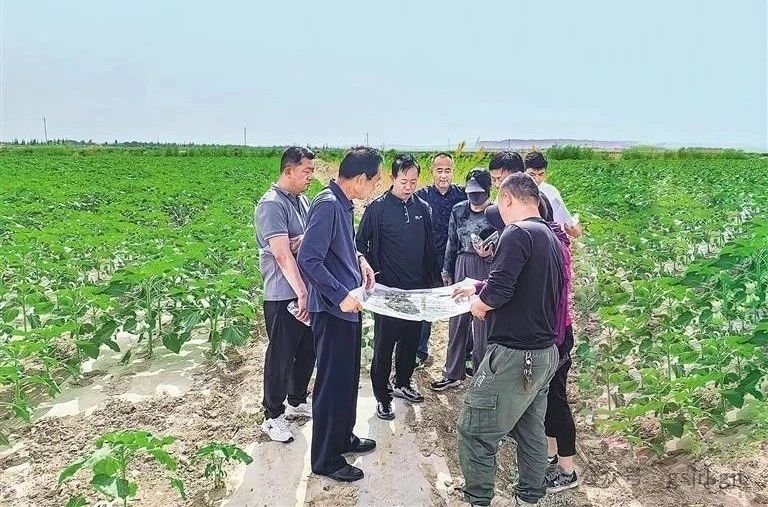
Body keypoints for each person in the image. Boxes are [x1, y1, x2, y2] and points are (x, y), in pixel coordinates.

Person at [454, 173, 564, 507]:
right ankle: (529, 499)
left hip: (516, 355)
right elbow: (524, 286)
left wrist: (479, 303)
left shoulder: (516, 233)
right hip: (544, 353)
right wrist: (479, 287)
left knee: (474, 431)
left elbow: (500, 291)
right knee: (531, 432)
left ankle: (478, 500)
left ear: (507, 199)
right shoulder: (549, 236)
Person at [297, 147, 381, 482]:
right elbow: (309, 258)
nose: (374, 188)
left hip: (348, 308)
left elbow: (340, 246)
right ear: (359, 179)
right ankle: (326, 459)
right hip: (333, 311)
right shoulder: (328, 205)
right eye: (374, 181)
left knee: (346, 379)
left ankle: (343, 437)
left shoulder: (343, 204)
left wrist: (360, 260)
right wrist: (340, 295)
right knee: (332, 384)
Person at [356, 153, 441, 420]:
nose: (408, 187)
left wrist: (434, 281)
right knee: (384, 345)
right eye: (403, 181)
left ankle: (403, 382)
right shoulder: (378, 209)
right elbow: (360, 244)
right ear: (393, 178)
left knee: (411, 340)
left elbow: (429, 247)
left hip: (416, 290)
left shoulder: (423, 208)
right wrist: (368, 273)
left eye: (413, 182)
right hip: (387, 292)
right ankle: (383, 397)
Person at [255, 146, 317, 443]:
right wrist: (301, 292)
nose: (311, 177)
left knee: (307, 349)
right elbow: (282, 254)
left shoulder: (302, 201)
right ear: (289, 170)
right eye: (307, 171)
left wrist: (300, 241)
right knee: (281, 355)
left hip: (304, 290)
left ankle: (297, 400)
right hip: (283, 293)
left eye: (312, 171)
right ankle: (272, 416)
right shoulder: (271, 205)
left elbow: (306, 241)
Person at [430, 169, 494, 392]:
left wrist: (490, 254)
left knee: (482, 322)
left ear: (488, 191)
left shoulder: (495, 213)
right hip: (462, 263)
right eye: (471, 192)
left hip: (485, 267)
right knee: (457, 322)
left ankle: (481, 375)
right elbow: (451, 241)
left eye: (479, 192)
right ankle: (452, 372)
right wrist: (447, 271)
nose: (474, 197)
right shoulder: (459, 210)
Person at [414, 152, 466, 367]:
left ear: (453, 172)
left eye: (448, 170)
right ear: (432, 172)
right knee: (426, 303)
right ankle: (419, 350)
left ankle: (465, 354)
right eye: (439, 170)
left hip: (457, 258)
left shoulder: (463, 195)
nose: (443, 175)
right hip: (429, 259)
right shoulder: (421, 196)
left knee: (462, 305)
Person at [524, 151, 582, 238]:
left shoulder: (551, 191)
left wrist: (573, 229)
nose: (537, 179)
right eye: (532, 174)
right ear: (524, 172)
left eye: (541, 174)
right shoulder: (516, 190)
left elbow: (566, 220)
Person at [489, 150, 554, 222]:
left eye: (501, 180)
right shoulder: (501, 197)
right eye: (493, 179)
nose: (497, 185)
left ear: (518, 176)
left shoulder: (536, 201)